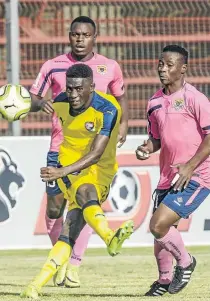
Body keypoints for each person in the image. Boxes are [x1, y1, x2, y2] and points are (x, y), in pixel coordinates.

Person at [29, 16, 128, 287]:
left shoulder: (110, 66)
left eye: (85, 35)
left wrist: (124, 125)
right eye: (75, 34)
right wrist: (41, 104)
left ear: (95, 37)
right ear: (69, 36)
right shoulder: (52, 66)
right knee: (53, 210)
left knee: (84, 201)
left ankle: (72, 265)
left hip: (91, 150)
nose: (80, 39)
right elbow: (33, 98)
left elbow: (119, 99)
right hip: (58, 148)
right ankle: (62, 258)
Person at [136, 44, 210, 296]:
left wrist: (190, 166)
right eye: (161, 64)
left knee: (158, 226)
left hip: (196, 175)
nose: (163, 69)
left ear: (183, 69)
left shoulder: (195, 99)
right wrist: (146, 148)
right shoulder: (154, 101)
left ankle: (187, 262)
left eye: (169, 65)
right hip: (168, 176)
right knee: (161, 234)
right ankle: (164, 281)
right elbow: (156, 138)